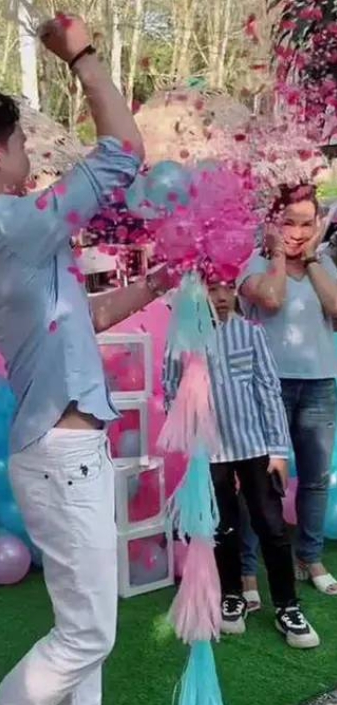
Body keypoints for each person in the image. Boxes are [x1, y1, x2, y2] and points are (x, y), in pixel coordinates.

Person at [0, 13, 170, 705]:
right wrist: (82, 55)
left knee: (78, 632)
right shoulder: (9, 225)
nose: (27, 153)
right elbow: (123, 151)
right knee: (87, 638)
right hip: (63, 456)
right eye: (18, 143)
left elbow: (85, 319)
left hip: (60, 452)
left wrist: (155, 283)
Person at [163, 279, 319, 648]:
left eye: (225, 287)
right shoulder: (183, 338)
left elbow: (268, 390)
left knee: (271, 525)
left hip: (254, 447)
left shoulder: (251, 333)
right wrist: (190, 430)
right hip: (209, 452)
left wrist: (278, 450)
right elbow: (170, 389)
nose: (219, 297)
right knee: (222, 525)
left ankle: (286, 605)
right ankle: (231, 594)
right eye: (210, 288)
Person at [239, 183, 337, 600]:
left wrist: (311, 257)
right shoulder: (254, 263)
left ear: (318, 225)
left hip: (319, 384)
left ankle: (309, 556)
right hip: (268, 388)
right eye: (288, 223)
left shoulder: (324, 264)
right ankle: (246, 568)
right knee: (259, 482)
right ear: (272, 224)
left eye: (306, 224)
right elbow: (272, 300)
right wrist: (278, 253)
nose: (297, 233)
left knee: (315, 479)